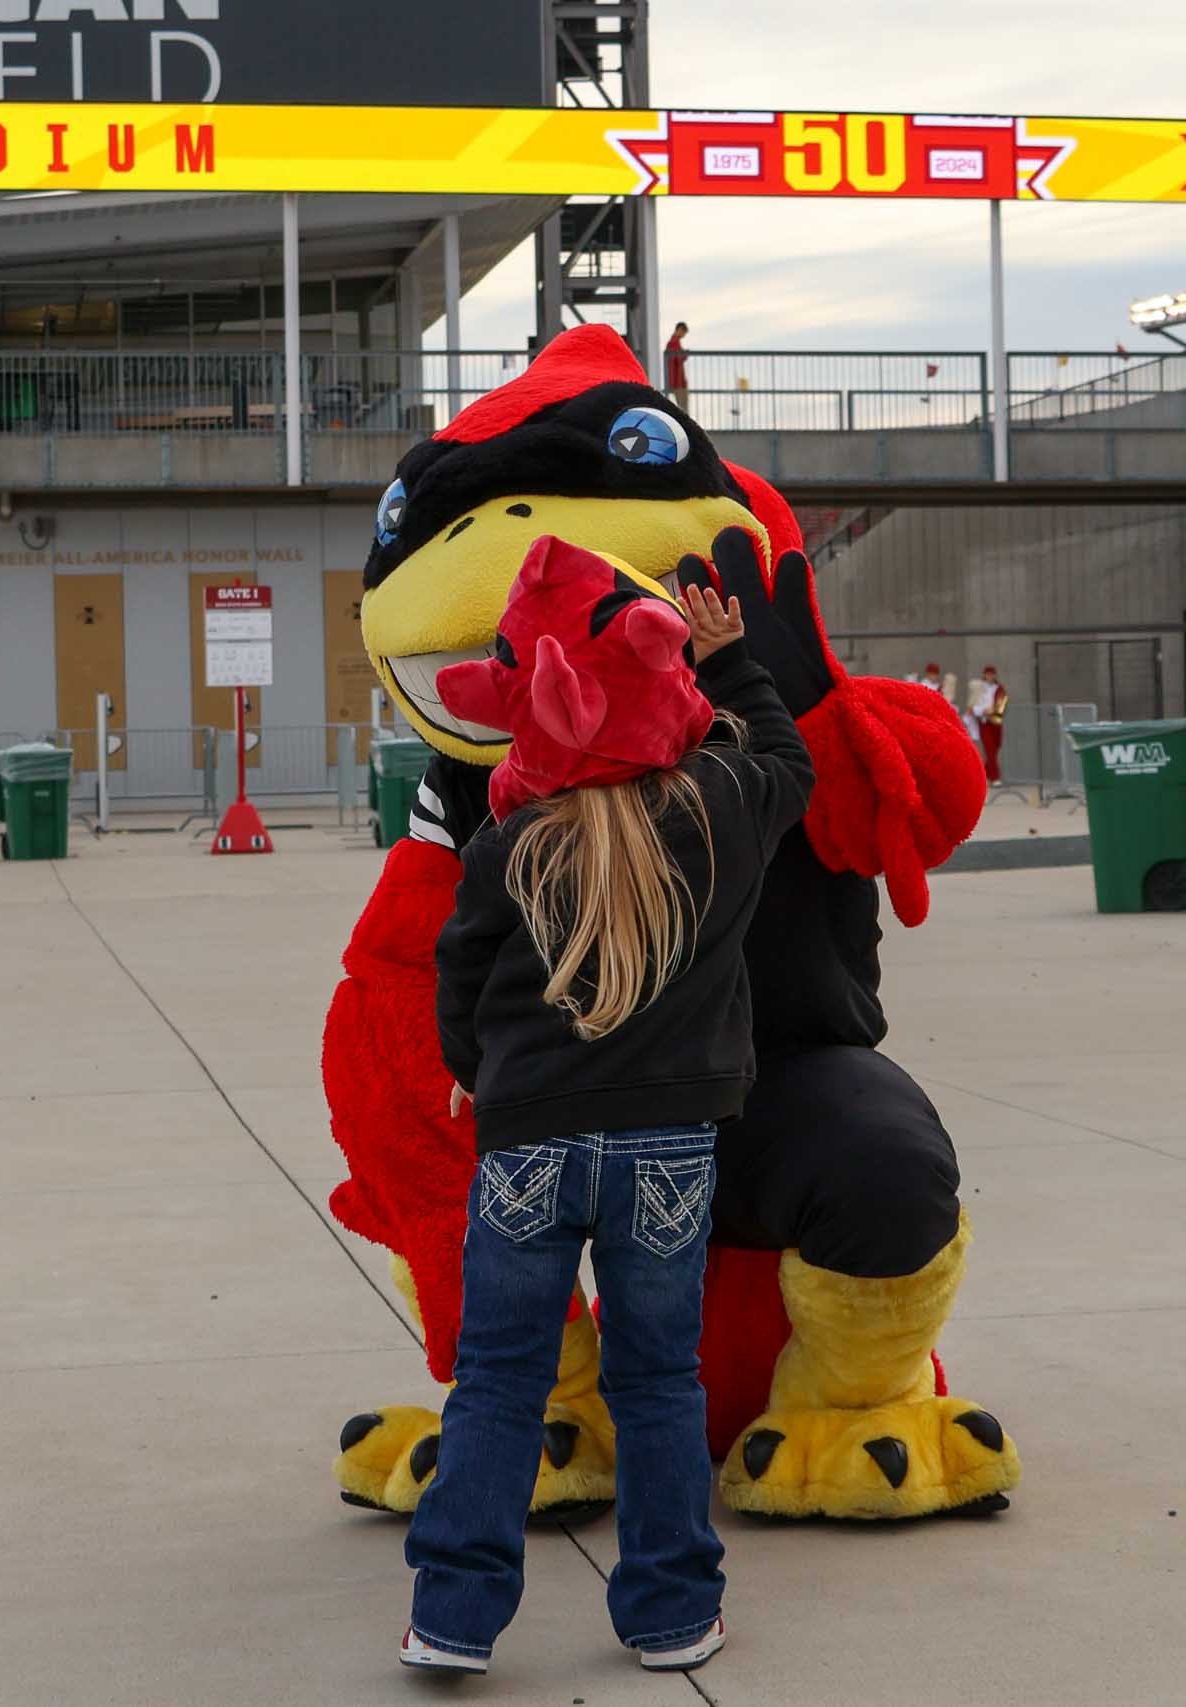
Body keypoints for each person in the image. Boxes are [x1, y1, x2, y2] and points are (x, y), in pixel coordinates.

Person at [400, 537, 814, 1679]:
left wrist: (478, 1071)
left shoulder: (511, 840)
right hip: (670, 1145)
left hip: (529, 1135)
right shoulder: (720, 811)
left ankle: (454, 1618)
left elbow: (460, 982)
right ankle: (672, 1613)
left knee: (498, 1378)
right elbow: (788, 760)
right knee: (654, 1379)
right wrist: (731, 663)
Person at [967, 665, 1008, 785]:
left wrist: (994, 710)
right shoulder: (979, 688)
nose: (989, 676)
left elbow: (1002, 705)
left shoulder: (999, 688)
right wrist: (982, 711)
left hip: (995, 722)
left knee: (995, 748)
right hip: (984, 722)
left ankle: (984, 774)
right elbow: (972, 705)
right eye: (987, 674)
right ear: (984, 675)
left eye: (992, 674)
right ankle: (995, 777)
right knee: (989, 749)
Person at [663, 321, 690, 408]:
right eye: (684, 332)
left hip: (677, 381)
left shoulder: (673, 342)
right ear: (679, 329)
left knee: (683, 406)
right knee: (684, 407)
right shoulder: (673, 343)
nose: (683, 335)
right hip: (678, 381)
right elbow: (677, 359)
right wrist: (684, 354)